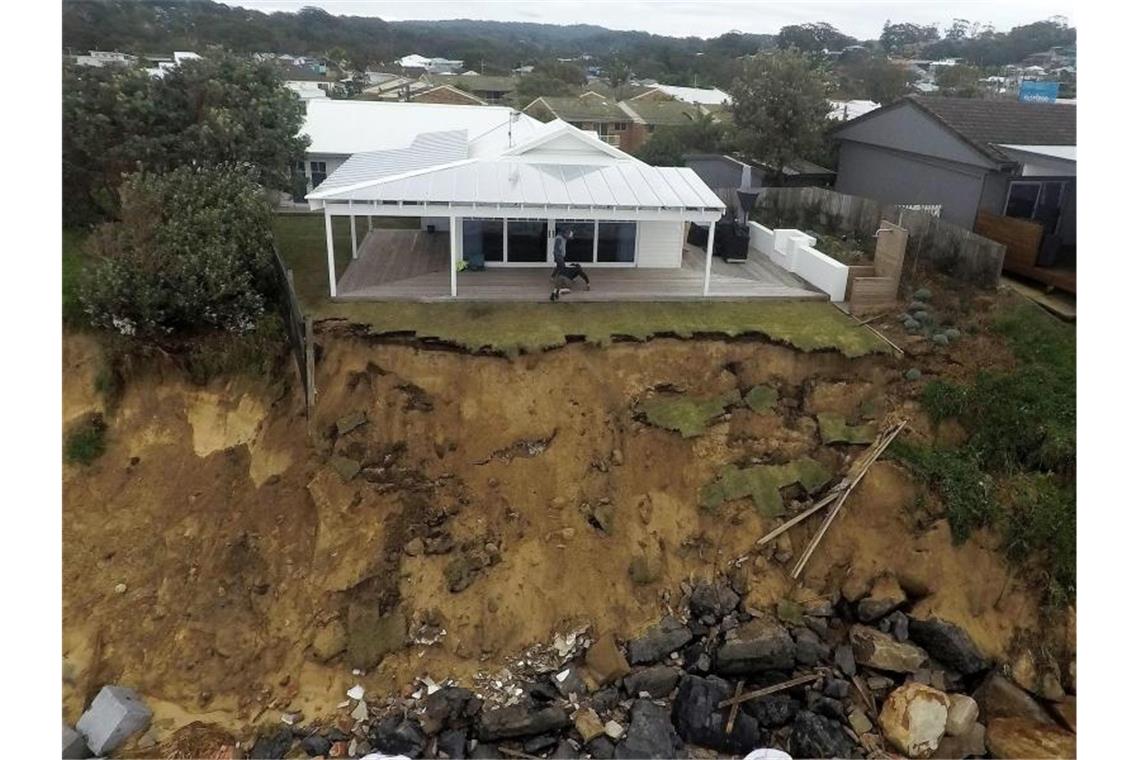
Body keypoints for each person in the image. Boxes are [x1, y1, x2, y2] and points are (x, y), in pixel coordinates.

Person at [549, 228, 591, 301]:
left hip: (560, 257)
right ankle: (561, 287)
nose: (569, 238)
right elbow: (556, 248)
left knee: (559, 266)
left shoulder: (564, 237)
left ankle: (553, 279)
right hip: (558, 255)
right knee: (562, 267)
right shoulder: (559, 238)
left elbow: (568, 238)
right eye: (569, 236)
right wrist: (558, 256)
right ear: (565, 234)